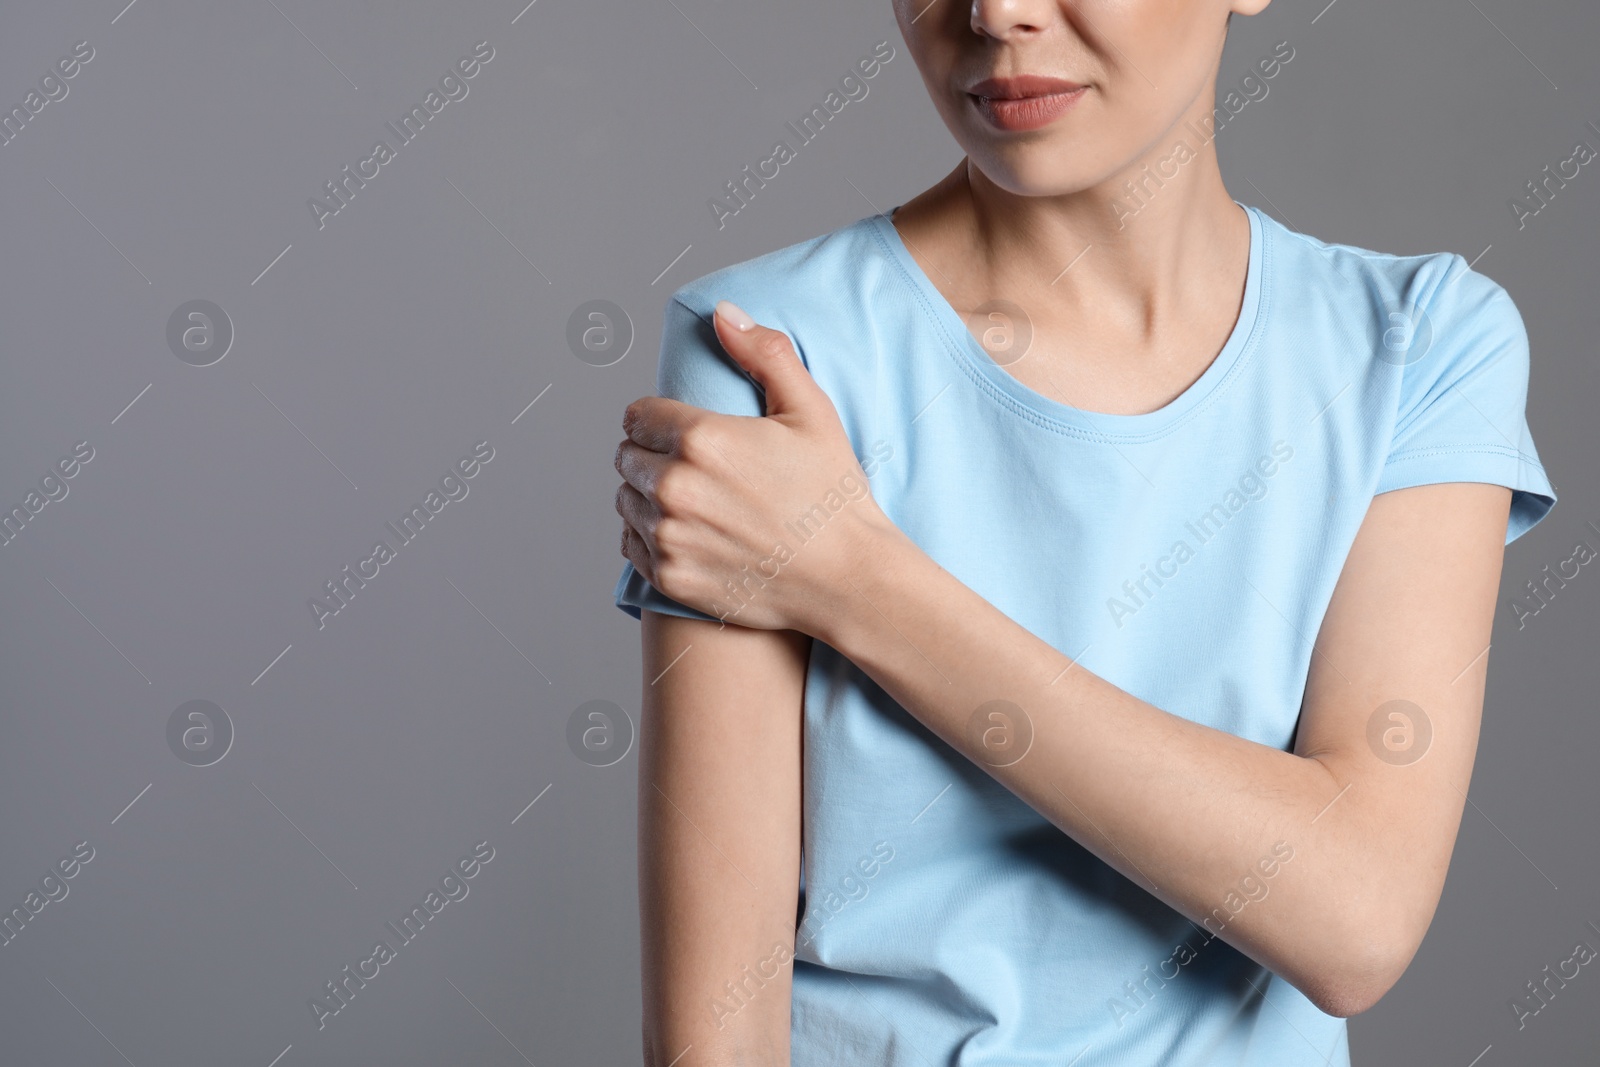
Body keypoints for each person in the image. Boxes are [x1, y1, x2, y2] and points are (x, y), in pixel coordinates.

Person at [611, 1, 1557, 1064]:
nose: (994, 12)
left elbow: (1356, 916)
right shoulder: (764, 349)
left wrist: (850, 576)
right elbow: (714, 1038)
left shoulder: (1418, 344)